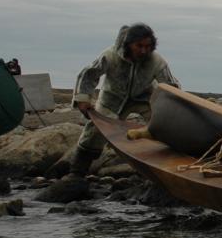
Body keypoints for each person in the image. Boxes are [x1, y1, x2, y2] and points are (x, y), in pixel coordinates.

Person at [65, 23, 179, 176]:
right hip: (112, 98)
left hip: (144, 98)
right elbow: (89, 74)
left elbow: (170, 86)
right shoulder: (110, 55)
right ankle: (77, 171)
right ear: (129, 44)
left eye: (148, 46)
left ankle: (168, 167)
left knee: (163, 126)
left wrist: (176, 110)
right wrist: (83, 98)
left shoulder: (156, 61)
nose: (143, 51)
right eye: (139, 46)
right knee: (95, 130)